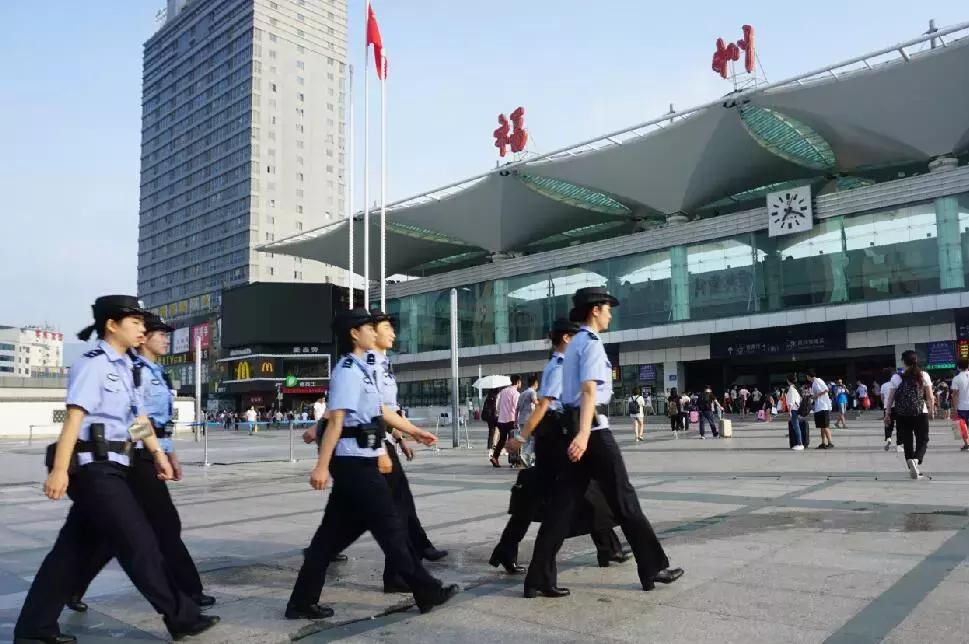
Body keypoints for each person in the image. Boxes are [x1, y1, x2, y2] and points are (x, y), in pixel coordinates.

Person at [14, 296, 219, 644]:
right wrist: (60, 470)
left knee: (72, 550)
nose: (142, 327)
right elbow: (74, 417)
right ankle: (181, 617)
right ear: (112, 325)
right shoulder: (93, 364)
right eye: (135, 321)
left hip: (116, 465)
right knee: (138, 542)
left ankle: (35, 628)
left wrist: (158, 454)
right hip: (93, 467)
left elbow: (138, 420)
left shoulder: (127, 368)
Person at [286, 308, 458, 620]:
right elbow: (336, 421)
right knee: (391, 528)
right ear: (354, 333)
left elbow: (379, 414)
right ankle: (426, 589)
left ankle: (301, 601)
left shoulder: (361, 369)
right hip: (354, 464)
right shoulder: (347, 371)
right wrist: (322, 466)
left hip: (360, 460)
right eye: (368, 327)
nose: (374, 331)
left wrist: (415, 432)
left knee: (329, 539)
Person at [523, 287, 683, 598]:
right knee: (625, 500)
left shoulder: (575, 345)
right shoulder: (592, 344)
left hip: (575, 428)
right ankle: (653, 566)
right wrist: (584, 434)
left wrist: (578, 433)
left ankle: (538, 578)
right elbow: (587, 392)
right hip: (592, 431)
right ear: (594, 310)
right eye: (607, 308)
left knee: (562, 506)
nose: (610, 313)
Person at [64, 313, 215, 615]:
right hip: (135, 455)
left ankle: (73, 586)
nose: (166, 339)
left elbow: (159, 422)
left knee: (110, 534)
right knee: (164, 524)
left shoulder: (157, 371)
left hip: (149, 450)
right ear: (144, 339)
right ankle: (188, 591)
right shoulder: (135, 371)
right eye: (160, 334)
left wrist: (167, 451)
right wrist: (151, 450)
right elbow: (134, 418)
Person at [494, 319, 629, 575]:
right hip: (555, 440)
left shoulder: (562, 365)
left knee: (558, 494)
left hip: (558, 437)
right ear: (567, 339)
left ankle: (608, 546)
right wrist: (521, 439)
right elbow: (544, 407)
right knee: (574, 493)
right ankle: (607, 547)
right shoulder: (559, 366)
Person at [367, 310, 448, 591]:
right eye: (387, 327)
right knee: (395, 513)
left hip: (383, 442)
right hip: (370, 446)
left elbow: (390, 411)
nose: (393, 333)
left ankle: (406, 567)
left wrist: (400, 440)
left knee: (398, 509)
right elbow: (375, 410)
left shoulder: (384, 363)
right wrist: (410, 433)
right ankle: (409, 570)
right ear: (370, 331)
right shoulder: (368, 365)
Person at [883, 350, 935, 480]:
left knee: (907, 440)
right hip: (920, 412)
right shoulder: (923, 375)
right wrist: (931, 409)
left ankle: (911, 463)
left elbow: (890, 398)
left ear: (903, 362)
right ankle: (916, 461)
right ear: (916, 360)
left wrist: (888, 413)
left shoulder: (896, 377)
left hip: (902, 413)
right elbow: (930, 396)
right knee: (923, 439)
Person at [491, 375, 522, 468]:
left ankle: (495, 457)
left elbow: (498, 406)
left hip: (501, 420)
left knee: (502, 440)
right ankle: (514, 460)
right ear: (518, 382)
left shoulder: (503, 391)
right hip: (511, 420)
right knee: (514, 440)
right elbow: (517, 408)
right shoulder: (516, 394)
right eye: (520, 382)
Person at [809, 370, 834, 449]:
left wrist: (816, 396)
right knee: (821, 426)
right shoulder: (814, 383)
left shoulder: (818, 381)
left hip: (823, 406)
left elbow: (826, 389)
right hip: (818, 407)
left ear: (809, 376)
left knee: (825, 426)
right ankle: (823, 443)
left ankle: (830, 443)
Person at [949, 357, 969, 452]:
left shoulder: (956, 379)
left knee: (962, 426)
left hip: (962, 407)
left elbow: (955, 395)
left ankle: (967, 444)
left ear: (958, 367)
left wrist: (954, 408)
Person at [880, 368, 900, 451]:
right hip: (897, 407)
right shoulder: (897, 383)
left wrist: (885, 404)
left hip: (887, 407)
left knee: (888, 424)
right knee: (899, 425)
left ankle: (888, 438)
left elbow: (882, 397)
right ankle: (899, 444)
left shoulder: (883, 385)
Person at [785, 374, 804, 450]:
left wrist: (789, 411)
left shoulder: (791, 389)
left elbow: (791, 401)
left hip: (793, 409)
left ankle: (800, 444)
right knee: (796, 426)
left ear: (789, 381)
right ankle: (799, 443)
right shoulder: (796, 388)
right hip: (796, 409)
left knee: (796, 427)